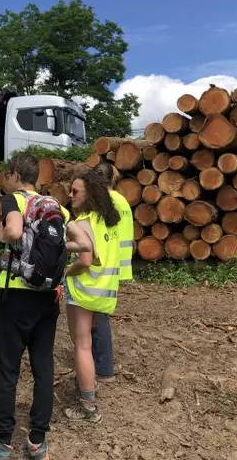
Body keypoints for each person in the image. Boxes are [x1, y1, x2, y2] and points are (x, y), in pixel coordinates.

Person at [0, 154, 91, 460]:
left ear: (13, 175)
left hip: (16, 297)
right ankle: (38, 442)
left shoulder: (14, 201)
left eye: (5, 174)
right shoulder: (55, 206)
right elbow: (85, 244)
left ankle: (1, 443)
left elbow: (11, 232)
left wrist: (1, 234)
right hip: (48, 298)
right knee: (43, 368)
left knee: (7, 371)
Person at [63, 170, 123, 422]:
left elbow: (85, 260)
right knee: (87, 343)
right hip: (104, 292)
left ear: (90, 194)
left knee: (83, 346)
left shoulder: (84, 222)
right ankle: (89, 388)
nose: (70, 195)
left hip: (83, 291)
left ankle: (88, 405)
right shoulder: (109, 221)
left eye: (75, 191)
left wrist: (66, 273)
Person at [88, 162, 133, 383]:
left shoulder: (100, 201)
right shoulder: (123, 200)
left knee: (98, 316)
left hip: (102, 264)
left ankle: (103, 368)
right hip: (117, 264)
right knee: (99, 314)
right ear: (112, 179)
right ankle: (98, 362)